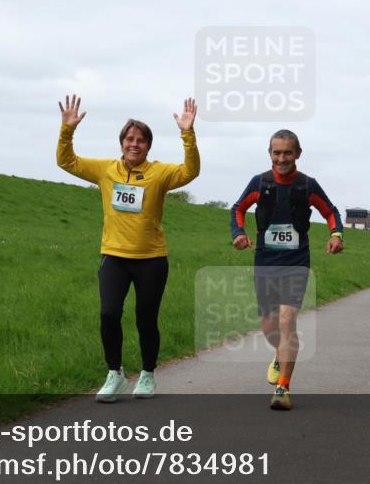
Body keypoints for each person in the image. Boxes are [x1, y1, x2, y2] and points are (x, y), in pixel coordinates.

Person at [57, 94, 199, 402]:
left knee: (146, 319)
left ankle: (147, 374)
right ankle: (115, 374)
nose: (134, 144)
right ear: (121, 142)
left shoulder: (160, 173)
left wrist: (187, 134)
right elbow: (66, 161)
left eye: (141, 140)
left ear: (148, 145)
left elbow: (190, 172)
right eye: (129, 139)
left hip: (151, 259)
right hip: (114, 258)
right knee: (109, 314)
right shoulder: (106, 170)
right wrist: (67, 130)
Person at [231, 129, 343, 411]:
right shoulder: (260, 182)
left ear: (298, 154)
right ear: (270, 153)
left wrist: (336, 235)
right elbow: (238, 208)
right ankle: (279, 355)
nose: (282, 158)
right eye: (277, 152)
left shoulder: (307, 185)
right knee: (269, 325)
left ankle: (283, 387)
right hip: (266, 260)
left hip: (296, 261)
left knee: (287, 320)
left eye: (288, 152)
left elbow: (331, 212)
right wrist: (238, 233)